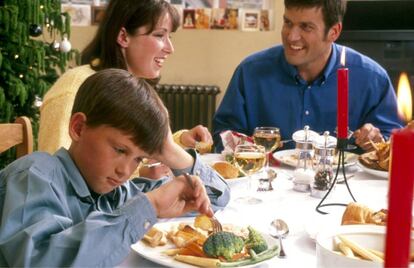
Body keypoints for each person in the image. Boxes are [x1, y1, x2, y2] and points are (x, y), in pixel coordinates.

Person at [0, 69, 230, 267]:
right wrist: (148, 206)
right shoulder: (34, 175)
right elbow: (38, 262)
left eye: (138, 159)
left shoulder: (114, 194)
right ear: (79, 128)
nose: (125, 171)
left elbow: (215, 198)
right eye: (120, 150)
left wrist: (168, 149)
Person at [213, 0, 403, 153]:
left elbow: (393, 144)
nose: (291, 36)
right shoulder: (250, 72)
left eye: (306, 27)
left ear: (334, 32)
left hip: (344, 192)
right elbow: (222, 134)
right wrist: (243, 146)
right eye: (288, 23)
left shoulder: (372, 78)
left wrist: (378, 140)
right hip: (266, 188)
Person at [38, 0, 212, 161]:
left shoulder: (133, 87)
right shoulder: (73, 89)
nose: (170, 48)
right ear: (123, 37)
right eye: (159, 35)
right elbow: (55, 171)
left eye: (170, 37)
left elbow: (133, 152)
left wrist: (180, 140)